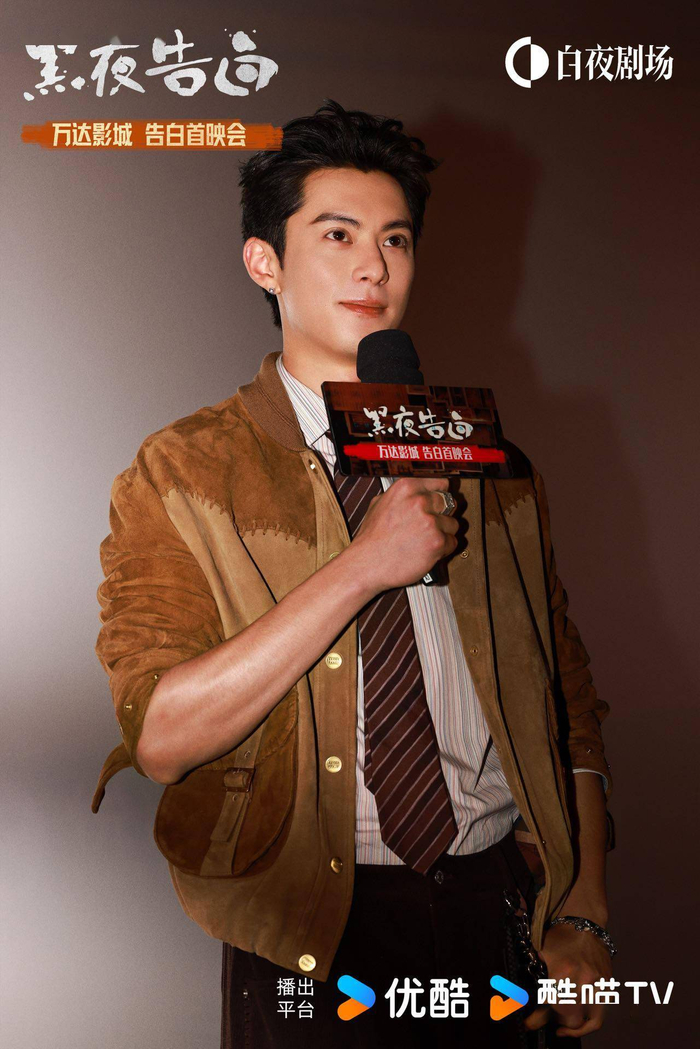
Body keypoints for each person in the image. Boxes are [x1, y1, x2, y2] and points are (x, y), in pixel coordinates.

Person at [91, 100, 615, 1048]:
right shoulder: (184, 470)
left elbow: (568, 700)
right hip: (309, 924)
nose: (374, 266)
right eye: (337, 235)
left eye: (395, 239)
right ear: (266, 261)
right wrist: (363, 567)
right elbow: (162, 738)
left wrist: (583, 907)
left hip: (499, 903)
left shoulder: (493, 462)